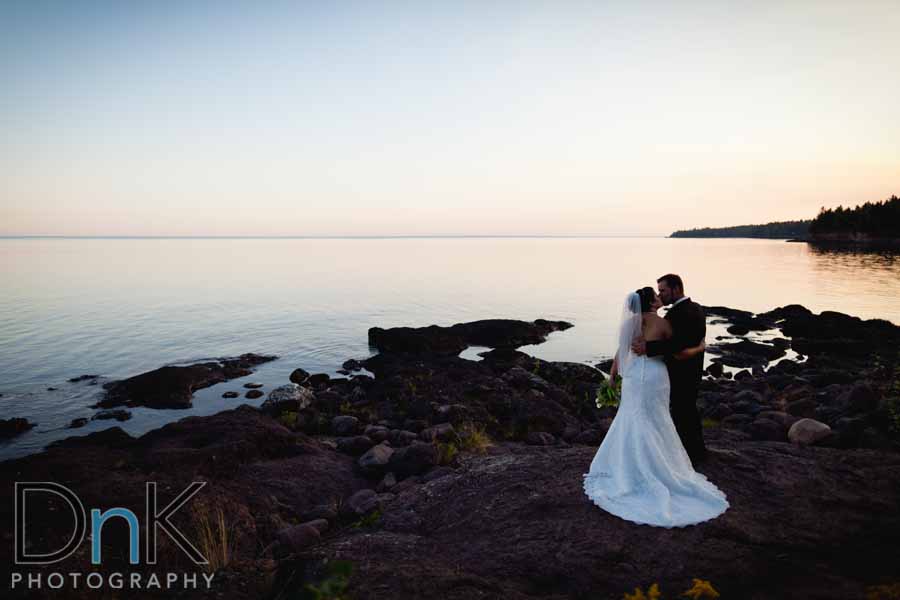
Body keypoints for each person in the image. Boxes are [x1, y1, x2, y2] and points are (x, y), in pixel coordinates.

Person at [582, 287, 728, 527]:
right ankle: (658, 467)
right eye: (657, 295)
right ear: (651, 302)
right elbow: (678, 351)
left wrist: (613, 375)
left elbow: (620, 351)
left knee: (630, 416)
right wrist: (700, 348)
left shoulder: (628, 325)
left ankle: (626, 467)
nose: (661, 297)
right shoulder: (662, 324)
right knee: (657, 417)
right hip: (654, 376)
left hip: (632, 378)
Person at [631, 274, 708, 464]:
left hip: (683, 372)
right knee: (686, 411)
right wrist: (699, 348)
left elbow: (679, 344)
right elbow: (686, 343)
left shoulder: (681, 313)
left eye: (663, 290)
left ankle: (692, 455)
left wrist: (649, 348)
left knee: (683, 412)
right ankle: (694, 451)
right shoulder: (695, 307)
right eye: (658, 291)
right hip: (691, 371)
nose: (660, 295)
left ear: (676, 289)